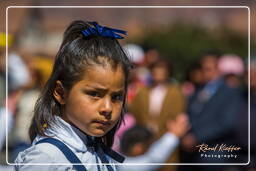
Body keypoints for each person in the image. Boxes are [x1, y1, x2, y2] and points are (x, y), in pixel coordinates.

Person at [15, 20, 132, 171]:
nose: (108, 108)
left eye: (116, 97)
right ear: (60, 93)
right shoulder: (46, 158)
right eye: (95, 94)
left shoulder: (97, 153)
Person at [117, 114, 189, 171]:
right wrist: (173, 135)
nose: (152, 150)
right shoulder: (125, 167)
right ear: (138, 148)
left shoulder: (114, 158)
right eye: (150, 146)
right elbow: (153, 159)